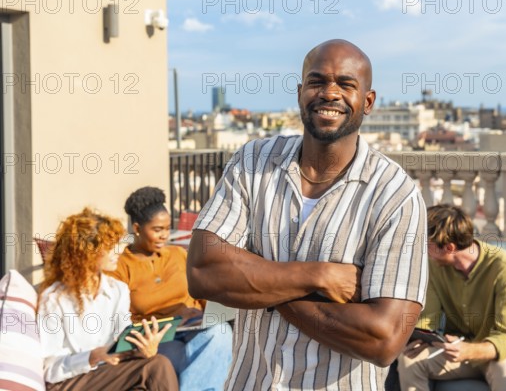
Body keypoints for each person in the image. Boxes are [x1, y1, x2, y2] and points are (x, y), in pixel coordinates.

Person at [187, 39, 429, 390]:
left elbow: (383, 339)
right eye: (317, 82)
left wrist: (258, 277)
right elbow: (202, 270)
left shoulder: (395, 195)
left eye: (346, 84)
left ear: (369, 102)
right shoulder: (253, 163)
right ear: (301, 92)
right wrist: (320, 276)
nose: (329, 93)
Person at [397, 204, 506, 391]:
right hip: (457, 350)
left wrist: (468, 351)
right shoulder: (434, 267)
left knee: (504, 371)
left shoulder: (504, 267)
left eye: (427, 246)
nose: (425, 252)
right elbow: (427, 320)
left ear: (449, 247)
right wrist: (419, 339)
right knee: (408, 361)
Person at [37, 208, 178, 390]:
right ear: (87, 252)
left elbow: (123, 338)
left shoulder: (117, 290)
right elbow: (47, 368)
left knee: (151, 366)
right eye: (110, 246)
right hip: (68, 382)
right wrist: (91, 357)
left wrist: (143, 350)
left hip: (108, 375)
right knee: (157, 366)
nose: (119, 250)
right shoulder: (55, 299)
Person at [107, 186, 232, 391]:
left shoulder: (178, 255)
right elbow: (120, 320)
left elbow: (203, 296)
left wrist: (212, 312)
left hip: (194, 327)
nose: (164, 235)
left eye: (167, 228)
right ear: (137, 229)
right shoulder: (120, 267)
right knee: (190, 357)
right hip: (157, 337)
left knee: (221, 332)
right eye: (157, 230)